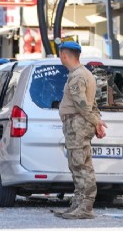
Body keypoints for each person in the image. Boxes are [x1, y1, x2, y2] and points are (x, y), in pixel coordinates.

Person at [51, 41, 107, 220]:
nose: (60, 57)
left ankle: (85, 206)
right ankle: (78, 203)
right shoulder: (84, 74)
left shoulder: (77, 76)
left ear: (64, 55)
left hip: (78, 125)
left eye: (60, 54)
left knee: (81, 166)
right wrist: (96, 121)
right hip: (78, 124)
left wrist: (95, 121)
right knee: (78, 165)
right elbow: (93, 103)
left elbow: (82, 104)